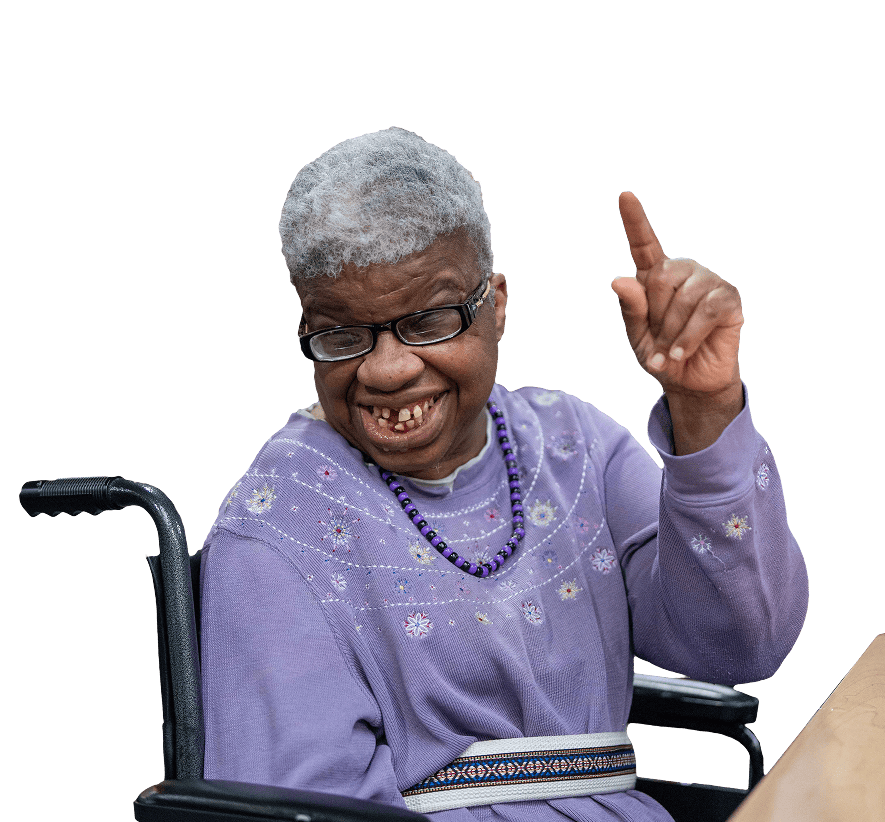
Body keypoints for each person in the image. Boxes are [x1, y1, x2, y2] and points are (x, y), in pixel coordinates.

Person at [199, 127, 808, 821]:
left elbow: (743, 641)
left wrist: (702, 408)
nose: (387, 370)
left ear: (497, 305)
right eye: (341, 334)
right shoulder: (278, 522)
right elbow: (299, 805)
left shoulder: (573, 448)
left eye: (428, 319)